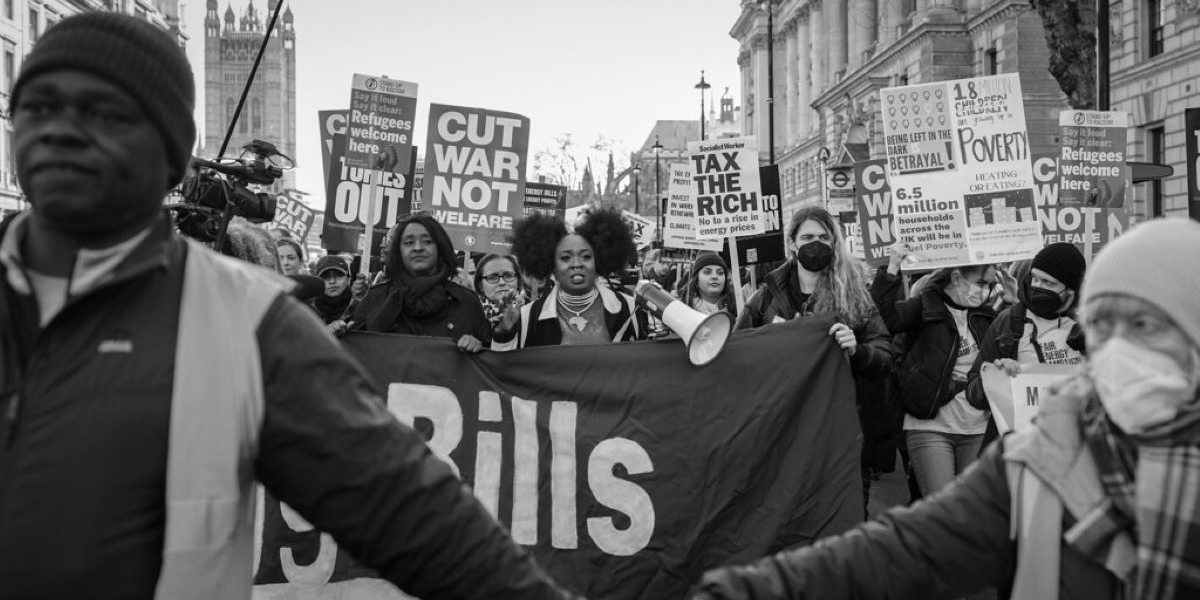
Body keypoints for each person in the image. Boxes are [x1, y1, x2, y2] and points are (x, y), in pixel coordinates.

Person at [0, 13, 578, 600]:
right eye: (39, 104)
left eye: (106, 113)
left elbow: (409, 512)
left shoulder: (247, 320)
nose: (62, 129)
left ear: (173, 155)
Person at [694, 217, 1200, 600]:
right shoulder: (1047, 457)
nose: (1117, 349)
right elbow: (911, 548)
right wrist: (753, 589)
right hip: (930, 426)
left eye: (1145, 327)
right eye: (1103, 325)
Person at [736, 207, 892, 514]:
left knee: (843, 517)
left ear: (834, 243)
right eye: (807, 237)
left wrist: (857, 350)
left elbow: (885, 354)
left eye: (823, 237)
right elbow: (737, 355)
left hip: (841, 429)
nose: (815, 244)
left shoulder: (855, 296)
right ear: (792, 244)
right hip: (783, 429)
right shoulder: (764, 299)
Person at [872, 242, 998, 499]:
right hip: (930, 425)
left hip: (976, 427)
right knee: (943, 509)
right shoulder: (923, 306)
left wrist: (1016, 302)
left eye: (990, 285)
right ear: (956, 277)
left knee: (971, 508)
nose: (985, 291)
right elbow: (884, 320)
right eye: (981, 283)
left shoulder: (987, 315)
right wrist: (892, 268)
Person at [967, 243, 1087, 448]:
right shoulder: (1009, 322)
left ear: (1071, 290)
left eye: (1049, 283)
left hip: (1077, 448)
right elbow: (974, 393)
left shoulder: (1092, 324)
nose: (1038, 286)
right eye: (1035, 278)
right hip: (1020, 448)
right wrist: (997, 376)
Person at [495, 207, 646, 349]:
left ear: (599, 260)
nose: (576, 264)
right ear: (551, 264)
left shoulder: (629, 307)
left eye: (586, 256)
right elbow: (504, 368)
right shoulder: (528, 316)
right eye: (565, 258)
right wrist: (504, 332)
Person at [349, 213, 491, 353]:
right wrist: (334, 334)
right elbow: (353, 354)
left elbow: (489, 364)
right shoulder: (375, 299)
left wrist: (480, 346)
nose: (418, 248)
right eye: (409, 242)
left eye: (427, 241)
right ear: (398, 251)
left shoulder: (467, 302)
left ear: (440, 248)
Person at [473, 253, 526, 340]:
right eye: (492, 277)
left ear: (518, 281)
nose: (501, 282)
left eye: (508, 275)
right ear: (480, 285)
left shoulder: (532, 313)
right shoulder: (469, 313)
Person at [678, 251, 737, 320]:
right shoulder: (683, 310)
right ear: (696, 279)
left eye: (720, 273)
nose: (715, 276)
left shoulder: (738, 307)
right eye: (707, 272)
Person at [311, 254, 356, 328]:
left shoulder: (358, 306)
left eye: (338, 275)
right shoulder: (309, 311)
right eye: (325, 276)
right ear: (317, 281)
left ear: (348, 279)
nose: (332, 281)